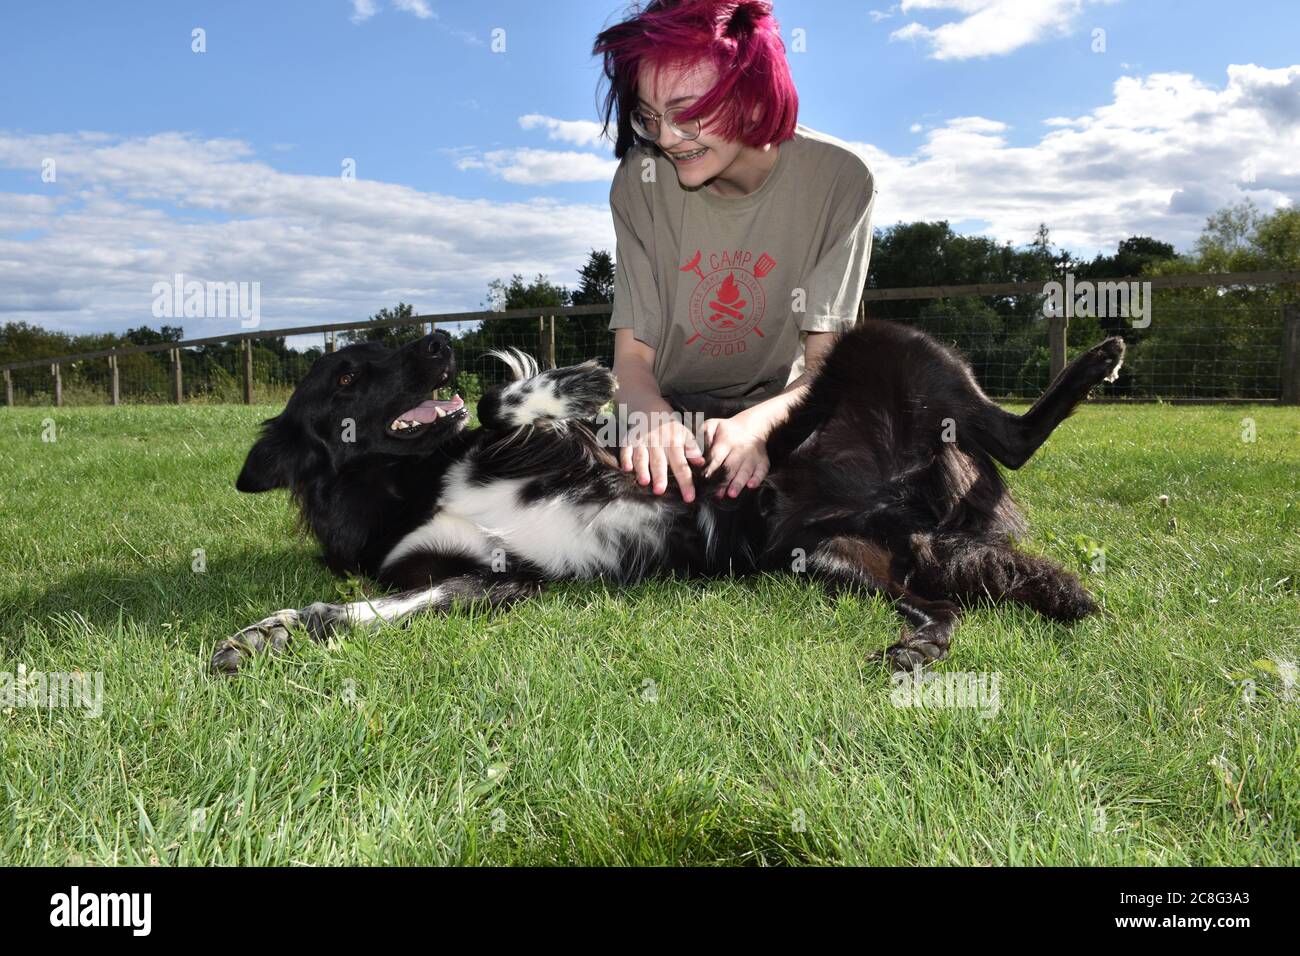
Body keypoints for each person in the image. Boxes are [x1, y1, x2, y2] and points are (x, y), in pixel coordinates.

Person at [593, 0, 876, 503]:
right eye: (649, 117)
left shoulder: (841, 180)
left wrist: (755, 428)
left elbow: (824, 372)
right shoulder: (640, 179)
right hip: (664, 406)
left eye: (687, 113)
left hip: (781, 405)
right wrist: (656, 423)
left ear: (753, 91)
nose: (667, 138)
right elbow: (632, 361)